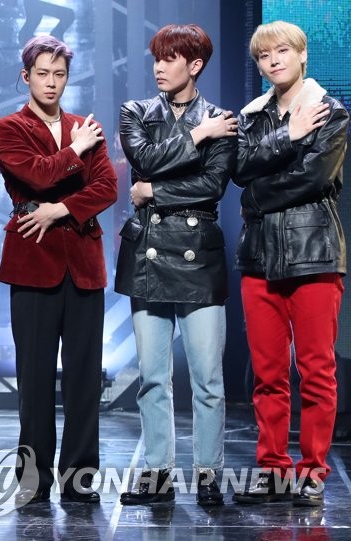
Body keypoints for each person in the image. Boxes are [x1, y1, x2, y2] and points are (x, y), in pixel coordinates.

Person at [0, 35, 116, 504]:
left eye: (59, 74)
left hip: (83, 262)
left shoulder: (86, 126)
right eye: (42, 73)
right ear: (26, 76)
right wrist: (76, 150)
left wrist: (60, 209)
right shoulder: (7, 127)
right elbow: (36, 175)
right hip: (33, 262)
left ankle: (79, 479)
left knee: (85, 379)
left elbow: (106, 188)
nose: (51, 82)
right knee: (35, 381)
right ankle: (33, 481)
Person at [115, 24, 237, 507]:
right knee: (152, 378)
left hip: (198, 258)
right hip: (147, 255)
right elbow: (143, 158)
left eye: (170, 59)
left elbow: (212, 186)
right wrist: (199, 134)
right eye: (156, 59)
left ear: (195, 65)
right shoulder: (136, 112)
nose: (159, 68)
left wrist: (153, 191)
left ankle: (208, 474)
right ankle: (158, 475)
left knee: (208, 379)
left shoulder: (224, 120)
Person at [232, 21, 347, 508]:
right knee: (268, 374)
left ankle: (313, 470)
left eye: (282, 51)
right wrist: (288, 135)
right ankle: (274, 470)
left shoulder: (330, 111)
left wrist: (256, 196)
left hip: (313, 253)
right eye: (264, 55)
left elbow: (313, 179)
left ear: (302, 55)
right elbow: (238, 168)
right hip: (259, 257)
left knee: (316, 370)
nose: (273, 60)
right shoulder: (252, 117)